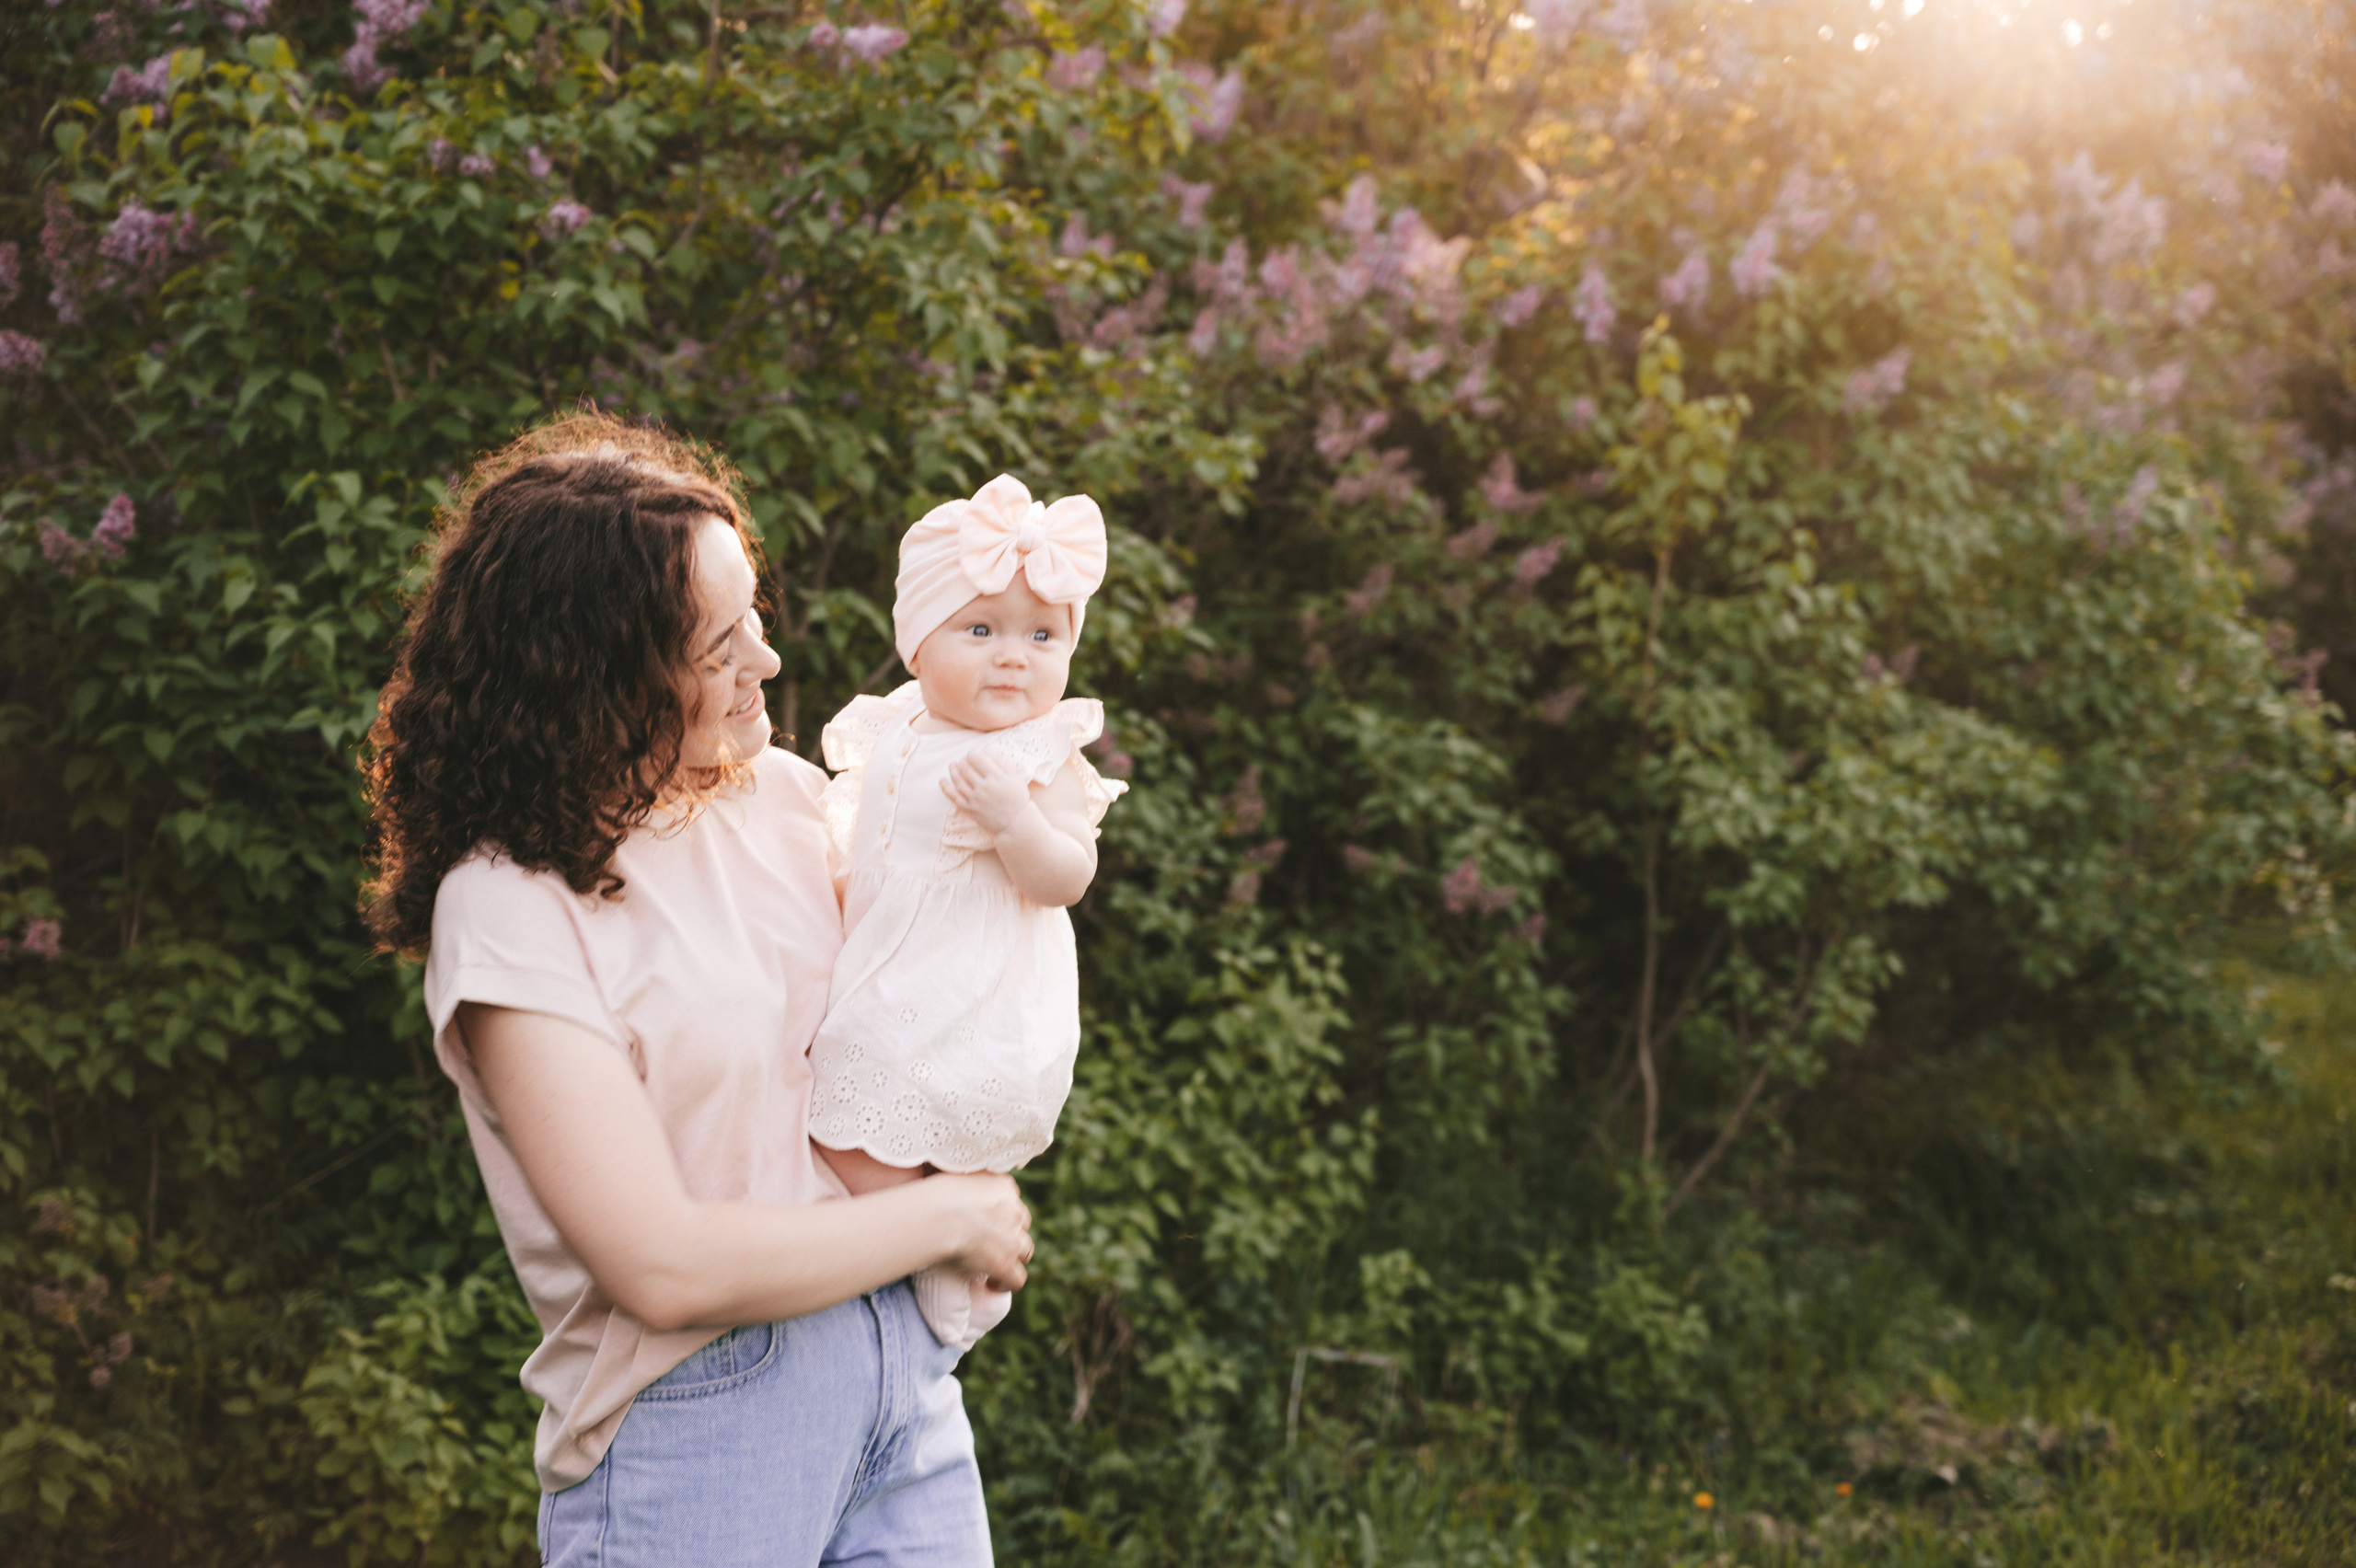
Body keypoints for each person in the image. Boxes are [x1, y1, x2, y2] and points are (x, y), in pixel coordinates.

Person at [360, 410, 1028, 1567]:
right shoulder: (509, 905)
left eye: (754, 616)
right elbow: (656, 1266)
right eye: (718, 646)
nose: (764, 662)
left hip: (900, 1389)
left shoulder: (778, 797)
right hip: (698, 1424)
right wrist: (952, 1213)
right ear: (599, 677)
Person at [807, 475, 1126, 1351]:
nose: (1014, 655)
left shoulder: (1042, 752)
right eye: (980, 630)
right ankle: (923, 1246)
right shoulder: (898, 725)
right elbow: (862, 840)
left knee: (913, 1129)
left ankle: (951, 1264)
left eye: (1041, 634)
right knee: (853, 1131)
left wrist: (1014, 820)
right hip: (884, 967)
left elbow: (1068, 875)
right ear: (916, 648)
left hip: (971, 998)